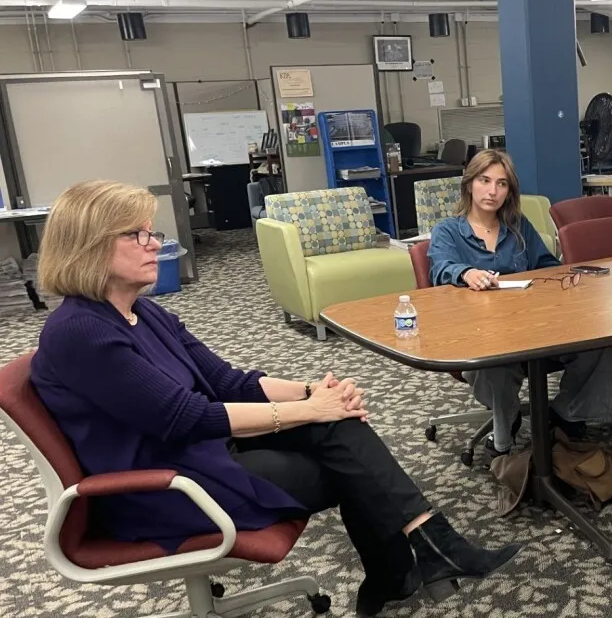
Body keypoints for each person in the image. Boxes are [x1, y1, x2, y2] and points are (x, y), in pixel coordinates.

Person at [30, 181, 520, 618]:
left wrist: (315, 393)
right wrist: (309, 409)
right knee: (349, 466)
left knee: (341, 426)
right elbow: (185, 418)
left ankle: (415, 557)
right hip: (163, 486)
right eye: (137, 236)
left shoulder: (145, 313)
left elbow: (227, 381)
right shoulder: (80, 332)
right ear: (90, 247)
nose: (155, 245)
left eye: (152, 233)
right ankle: (414, 558)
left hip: (206, 453)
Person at [427, 150, 612, 457]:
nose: (492, 191)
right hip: (480, 334)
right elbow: (440, 268)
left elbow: (545, 265)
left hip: (532, 324)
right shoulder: (448, 230)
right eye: (484, 181)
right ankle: (507, 424)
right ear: (469, 184)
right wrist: (466, 272)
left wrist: (563, 277)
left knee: (598, 340)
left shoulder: (518, 226)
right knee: (493, 366)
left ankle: (568, 413)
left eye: (501, 184)